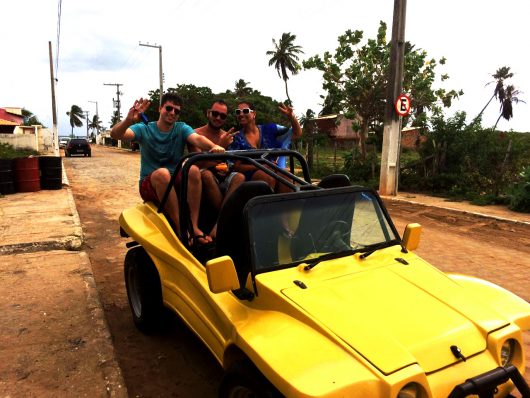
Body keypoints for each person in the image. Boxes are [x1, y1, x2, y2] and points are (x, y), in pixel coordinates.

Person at [110, 93, 225, 245]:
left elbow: (196, 138)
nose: (172, 113)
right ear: (160, 109)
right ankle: (181, 230)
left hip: (175, 181)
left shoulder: (181, 128)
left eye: (176, 111)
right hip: (150, 183)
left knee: (194, 169)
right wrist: (127, 121)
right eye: (169, 108)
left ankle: (195, 227)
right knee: (163, 174)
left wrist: (213, 146)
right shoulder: (144, 129)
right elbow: (116, 134)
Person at [190, 99, 245, 239]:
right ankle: (226, 220)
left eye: (223, 116)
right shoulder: (195, 134)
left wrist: (226, 167)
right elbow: (197, 164)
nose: (218, 118)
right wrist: (220, 146)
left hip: (222, 177)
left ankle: (218, 225)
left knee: (240, 177)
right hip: (204, 176)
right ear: (208, 113)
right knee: (206, 175)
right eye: (215, 114)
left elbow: (231, 162)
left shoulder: (227, 136)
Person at [228, 101, 302, 191]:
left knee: (286, 176)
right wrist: (262, 166)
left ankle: (286, 204)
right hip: (250, 176)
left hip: (274, 171)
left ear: (254, 113)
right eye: (238, 112)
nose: (241, 114)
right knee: (266, 176)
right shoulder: (237, 137)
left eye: (245, 111)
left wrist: (292, 117)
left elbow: (297, 133)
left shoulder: (270, 129)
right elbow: (236, 166)